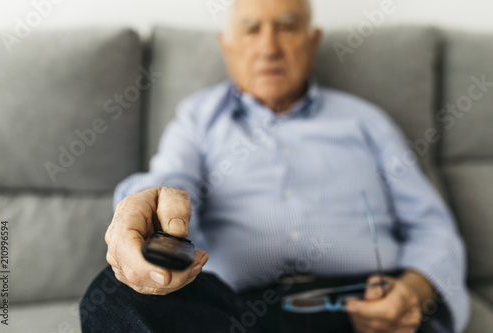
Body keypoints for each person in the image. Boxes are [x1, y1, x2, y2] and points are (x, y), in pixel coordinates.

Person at [80, 0, 470, 332]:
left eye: (287, 27)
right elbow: (172, 180)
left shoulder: (366, 121)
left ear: (312, 40)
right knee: (113, 296)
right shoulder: (197, 118)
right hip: (239, 313)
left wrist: (412, 290)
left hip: (363, 307)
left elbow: (433, 227)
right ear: (227, 46)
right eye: (251, 30)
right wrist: (147, 205)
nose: (269, 48)